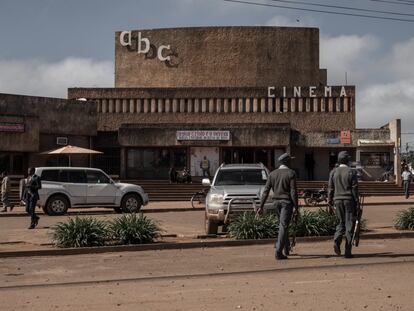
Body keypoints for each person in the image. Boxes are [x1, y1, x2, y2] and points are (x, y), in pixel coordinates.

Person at [258, 153, 298, 260]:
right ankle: (278, 251)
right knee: (284, 226)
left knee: (282, 225)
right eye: (290, 160)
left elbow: (266, 191)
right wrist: (296, 207)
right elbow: (293, 192)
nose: (291, 162)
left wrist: (261, 206)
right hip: (286, 203)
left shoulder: (272, 174)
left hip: (276, 203)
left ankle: (286, 248)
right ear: (287, 162)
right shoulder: (291, 173)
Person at [328, 151, 359, 258]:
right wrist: (357, 203)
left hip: (337, 200)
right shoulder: (351, 172)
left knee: (340, 222)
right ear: (347, 160)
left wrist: (329, 200)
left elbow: (330, 188)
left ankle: (337, 239)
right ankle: (347, 251)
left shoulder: (333, 172)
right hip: (349, 200)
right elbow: (355, 189)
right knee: (349, 224)